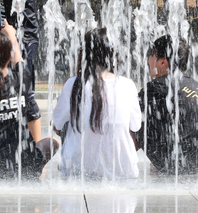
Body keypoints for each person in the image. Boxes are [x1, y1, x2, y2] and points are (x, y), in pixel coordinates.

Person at [0, 20, 57, 179]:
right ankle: (38, 172)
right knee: (53, 142)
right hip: (23, 164)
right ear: (10, 55)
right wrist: (12, 36)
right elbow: (19, 60)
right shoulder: (22, 79)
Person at [53, 28, 141, 179]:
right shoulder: (128, 85)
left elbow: (56, 126)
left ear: (85, 54)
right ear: (112, 54)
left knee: (70, 122)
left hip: (78, 173)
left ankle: (74, 160)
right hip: (122, 173)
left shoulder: (73, 84)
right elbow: (136, 126)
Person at [136, 35, 198, 175]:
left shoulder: (155, 88)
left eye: (152, 54)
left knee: (134, 116)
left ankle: (117, 160)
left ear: (163, 63)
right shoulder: (195, 85)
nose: (149, 59)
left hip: (174, 161)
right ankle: (170, 162)